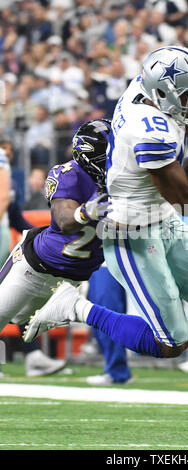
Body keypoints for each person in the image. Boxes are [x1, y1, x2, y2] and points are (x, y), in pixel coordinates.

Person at [24, 46, 188, 439]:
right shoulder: (147, 128)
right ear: (165, 97)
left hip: (162, 217)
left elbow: (187, 126)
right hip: (132, 232)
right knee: (172, 342)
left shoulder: (146, 86)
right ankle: (74, 306)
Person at [0, 119, 111, 376]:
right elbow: (64, 220)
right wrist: (86, 211)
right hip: (35, 267)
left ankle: (35, 359)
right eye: (111, 150)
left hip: (69, 282)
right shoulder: (68, 173)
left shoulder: (123, 179)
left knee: (25, 322)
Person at [86, 265, 132, 385]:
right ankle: (115, 369)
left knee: (107, 312)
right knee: (100, 313)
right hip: (97, 261)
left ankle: (117, 371)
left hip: (109, 261)